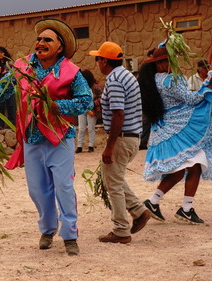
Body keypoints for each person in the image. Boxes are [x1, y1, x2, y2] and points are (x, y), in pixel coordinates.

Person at [0, 18, 93, 256]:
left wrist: (57, 106)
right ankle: (48, 229)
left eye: (47, 39)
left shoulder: (71, 72)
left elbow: (86, 101)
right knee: (38, 190)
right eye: (39, 39)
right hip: (32, 137)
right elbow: (4, 88)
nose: (40, 43)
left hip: (60, 137)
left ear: (59, 47)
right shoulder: (23, 67)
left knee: (63, 186)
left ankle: (70, 234)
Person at [139, 47, 212, 224]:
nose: (174, 63)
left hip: (168, 129)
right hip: (177, 129)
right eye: (171, 60)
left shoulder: (154, 80)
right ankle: (183, 208)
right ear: (160, 63)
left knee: (184, 168)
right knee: (191, 166)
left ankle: (157, 202)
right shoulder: (169, 80)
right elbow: (191, 99)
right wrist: (209, 86)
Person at [89, 41, 150, 244]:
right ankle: (139, 211)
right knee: (113, 179)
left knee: (113, 183)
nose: (97, 62)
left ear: (105, 61)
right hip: (132, 136)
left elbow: (118, 114)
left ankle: (121, 229)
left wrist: (110, 145)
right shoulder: (126, 76)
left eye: (98, 58)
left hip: (123, 137)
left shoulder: (114, 80)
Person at [76, 70, 101, 153]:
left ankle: (91, 146)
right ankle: (79, 146)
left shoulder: (95, 87)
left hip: (92, 110)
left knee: (91, 128)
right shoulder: (80, 86)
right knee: (81, 128)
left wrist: (93, 105)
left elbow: (99, 98)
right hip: (83, 109)